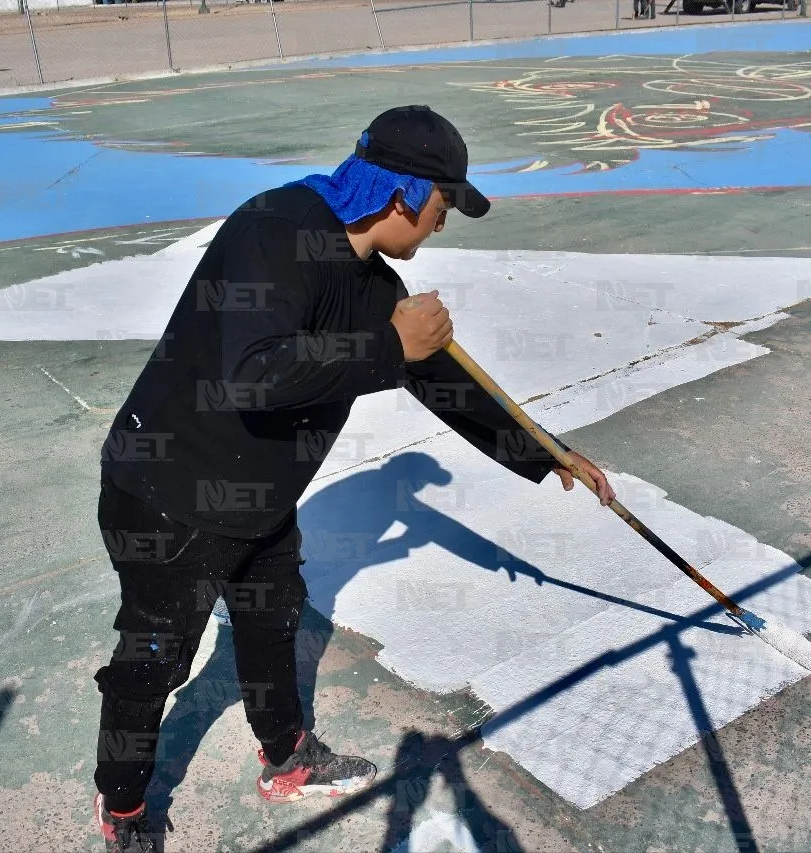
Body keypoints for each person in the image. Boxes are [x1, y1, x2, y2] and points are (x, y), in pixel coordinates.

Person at [91, 105, 616, 853]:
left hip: (258, 492)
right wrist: (389, 342)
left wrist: (542, 451)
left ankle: (286, 758)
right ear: (403, 195)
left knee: (274, 620)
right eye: (442, 207)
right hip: (167, 490)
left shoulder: (374, 285)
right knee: (154, 658)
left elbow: (443, 382)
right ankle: (125, 809)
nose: (442, 225)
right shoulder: (270, 229)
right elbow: (254, 373)